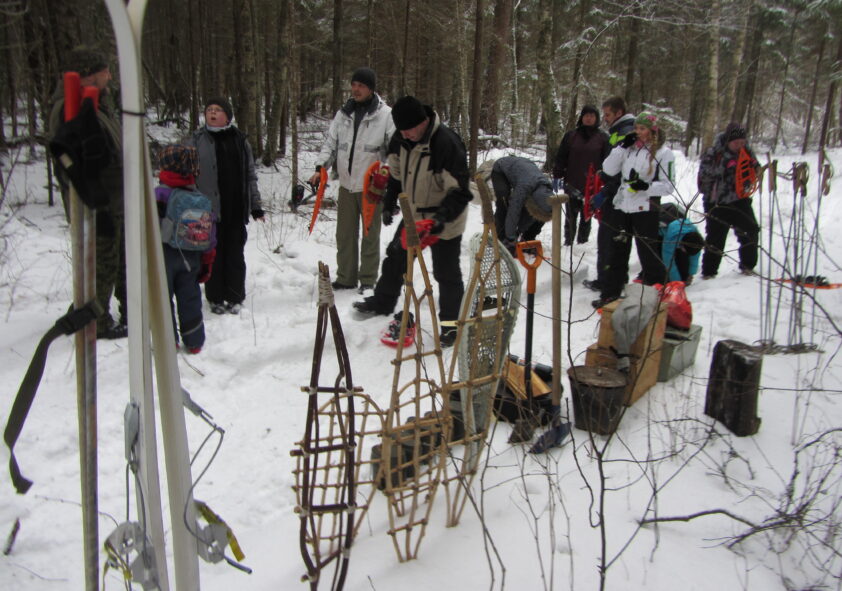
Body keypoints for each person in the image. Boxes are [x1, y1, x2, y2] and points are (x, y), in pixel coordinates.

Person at [352, 96, 472, 347]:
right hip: (414, 213)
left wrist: (440, 219)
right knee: (395, 257)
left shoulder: (446, 144)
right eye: (402, 130)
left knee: (446, 271)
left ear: (424, 121)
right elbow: (396, 175)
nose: (405, 134)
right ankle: (383, 302)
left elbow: (461, 192)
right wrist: (389, 203)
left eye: (409, 129)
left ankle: (452, 326)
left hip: (446, 217)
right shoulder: (401, 138)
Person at [48, 46, 128, 339]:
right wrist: (94, 200)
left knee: (117, 261)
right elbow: (75, 162)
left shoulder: (100, 104)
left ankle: (118, 312)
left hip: (115, 200)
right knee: (99, 264)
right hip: (96, 204)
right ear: (88, 76)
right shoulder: (71, 108)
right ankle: (95, 322)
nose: (110, 76)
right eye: (104, 71)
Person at [310, 68, 394, 292]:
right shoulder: (343, 114)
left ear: (371, 89)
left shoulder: (386, 115)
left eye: (361, 86)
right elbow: (330, 144)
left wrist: (385, 173)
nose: (356, 89)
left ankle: (367, 279)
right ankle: (346, 278)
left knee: (370, 235)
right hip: (347, 185)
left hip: (372, 187)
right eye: (354, 84)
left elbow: (394, 150)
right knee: (344, 234)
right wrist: (320, 168)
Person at [190, 97, 264, 315]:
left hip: (235, 208)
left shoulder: (240, 140)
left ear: (228, 116)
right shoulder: (196, 140)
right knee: (212, 255)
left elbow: (250, 175)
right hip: (207, 210)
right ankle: (215, 298)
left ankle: (234, 296)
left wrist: (255, 205)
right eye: (209, 110)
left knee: (234, 254)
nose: (212, 113)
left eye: (218, 110)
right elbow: (187, 176)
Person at [592, 112, 673, 309]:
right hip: (622, 206)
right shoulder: (629, 149)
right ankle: (610, 294)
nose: (638, 132)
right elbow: (608, 169)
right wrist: (621, 147)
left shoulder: (663, 153)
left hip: (645, 208)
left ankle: (658, 294)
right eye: (636, 128)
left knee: (648, 253)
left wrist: (646, 187)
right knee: (616, 253)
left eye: (642, 128)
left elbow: (669, 186)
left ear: (652, 131)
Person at [154, 144, 215, 354]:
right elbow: (210, 233)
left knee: (163, 298)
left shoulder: (158, 194)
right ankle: (194, 341)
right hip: (191, 255)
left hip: (163, 254)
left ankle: (168, 341)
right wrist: (207, 260)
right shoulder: (199, 198)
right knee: (190, 297)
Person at [582, 97, 637, 292]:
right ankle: (611, 280)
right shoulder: (618, 132)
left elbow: (623, 171)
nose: (604, 118)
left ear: (619, 113)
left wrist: (605, 191)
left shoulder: (625, 133)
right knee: (612, 240)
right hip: (615, 193)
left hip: (617, 196)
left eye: (607, 114)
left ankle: (608, 283)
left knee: (610, 241)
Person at [697, 122, 761, 278]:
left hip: (740, 199)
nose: (739, 146)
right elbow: (704, 174)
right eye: (736, 143)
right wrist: (726, 166)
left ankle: (748, 266)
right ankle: (709, 272)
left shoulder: (746, 151)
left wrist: (756, 168)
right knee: (715, 238)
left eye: (742, 142)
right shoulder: (714, 152)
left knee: (750, 230)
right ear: (728, 141)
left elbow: (755, 166)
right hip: (717, 202)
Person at [552, 105, 611, 245]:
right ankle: (568, 242)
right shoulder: (571, 136)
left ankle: (582, 243)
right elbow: (561, 157)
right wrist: (557, 175)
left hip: (592, 184)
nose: (589, 118)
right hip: (572, 181)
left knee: (587, 215)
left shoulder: (603, 138)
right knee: (570, 216)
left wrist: (605, 181)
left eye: (592, 116)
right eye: (586, 115)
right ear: (582, 117)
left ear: (596, 118)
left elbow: (608, 161)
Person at [487, 156, 553, 252]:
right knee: (504, 203)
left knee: (539, 215)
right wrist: (511, 238)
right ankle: (501, 239)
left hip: (524, 169)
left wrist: (519, 231)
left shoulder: (547, 189)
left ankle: (528, 239)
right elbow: (514, 211)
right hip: (502, 168)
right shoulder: (524, 187)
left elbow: (532, 214)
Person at [659, 203, 704, 284]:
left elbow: (695, 254)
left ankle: (684, 276)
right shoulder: (671, 238)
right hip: (657, 234)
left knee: (683, 259)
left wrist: (691, 273)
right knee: (661, 257)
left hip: (675, 226)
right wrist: (676, 281)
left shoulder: (694, 234)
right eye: (684, 250)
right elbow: (668, 260)